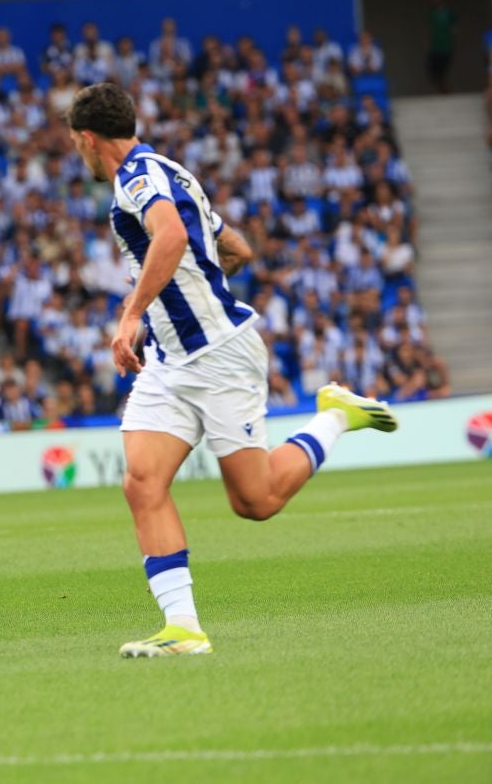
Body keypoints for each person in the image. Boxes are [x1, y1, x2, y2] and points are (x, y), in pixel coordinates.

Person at [65, 83, 398, 658]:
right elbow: (236, 248)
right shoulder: (170, 169)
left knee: (257, 501)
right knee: (142, 482)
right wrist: (183, 286)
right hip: (172, 361)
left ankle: (335, 417)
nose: (79, 155)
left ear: (89, 139)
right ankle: (184, 628)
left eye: (77, 145)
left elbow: (170, 235)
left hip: (219, 355)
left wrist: (133, 312)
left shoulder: (136, 179)